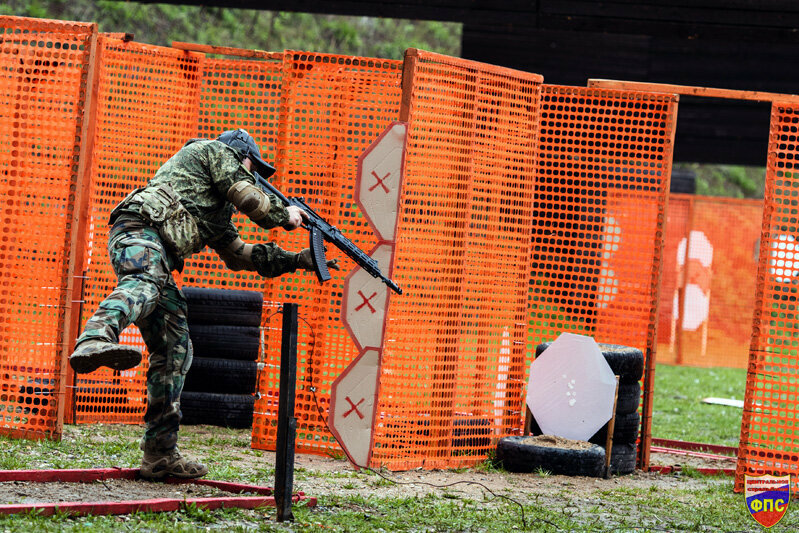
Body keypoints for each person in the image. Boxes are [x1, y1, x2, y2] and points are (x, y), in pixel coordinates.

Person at [69, 129, 338, 480]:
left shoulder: (214, 212)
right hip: (139, 230)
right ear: (239, 154)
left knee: (175, 350)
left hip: (159, 255)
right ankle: (94, 338)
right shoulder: (212, 153)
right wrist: (284, 215)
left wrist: (298, 259)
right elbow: (250, 199)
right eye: (251, 165)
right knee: (144, 284)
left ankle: (160, 454)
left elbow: (242, 256)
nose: (252, 173)